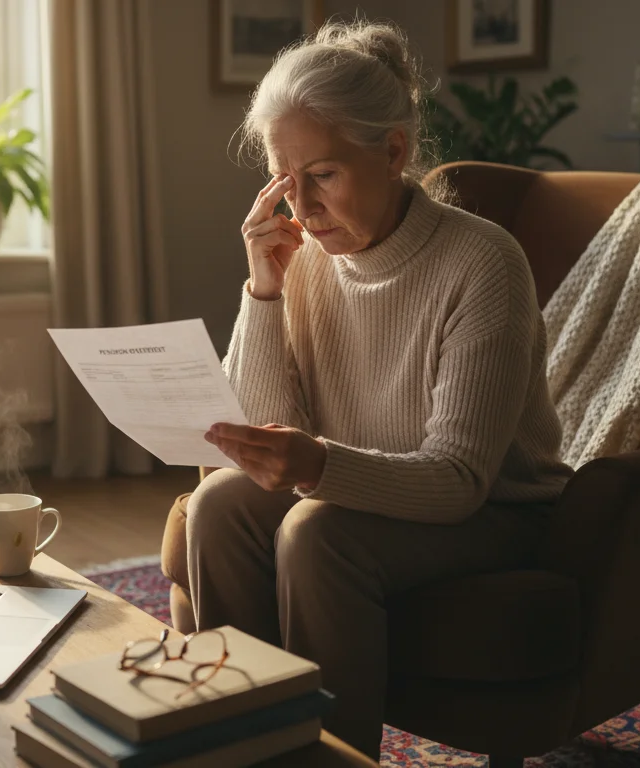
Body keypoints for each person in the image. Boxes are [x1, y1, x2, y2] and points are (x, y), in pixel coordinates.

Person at [186, 19, 574, 758]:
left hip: (496, 510)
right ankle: (237, 747)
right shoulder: (300, 255)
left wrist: (314, 466)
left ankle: (336, 758)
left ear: (393, 151)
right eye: (282, 179)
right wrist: (263, 291)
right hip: (362, 491)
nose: (299, 207)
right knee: (219, 506)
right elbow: (262, 435)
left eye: (323, 175)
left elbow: (460, 480)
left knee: (317, 533)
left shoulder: (482, 262)